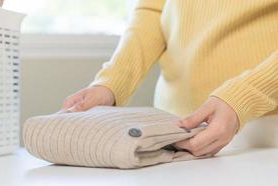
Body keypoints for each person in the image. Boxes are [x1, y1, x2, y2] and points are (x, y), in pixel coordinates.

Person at [60, 0, 278, 157]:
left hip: (264, 132)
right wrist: (111, 83)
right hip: (171, 129)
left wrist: (245, 96)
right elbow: (152, 10)